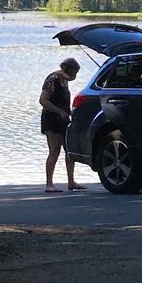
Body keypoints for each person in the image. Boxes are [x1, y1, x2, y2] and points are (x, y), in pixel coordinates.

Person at [39, 57, 86, 193]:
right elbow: (43, 100)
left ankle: (71, 181)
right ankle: (49, 184)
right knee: (54, 150)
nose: (75, 76)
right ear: (66, 69)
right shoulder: (52, 79)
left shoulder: (64, 80)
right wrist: (59, 112)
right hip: (51, 119)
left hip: (64, 120)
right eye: (74, 72)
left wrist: (70, 112)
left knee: (69, 150)